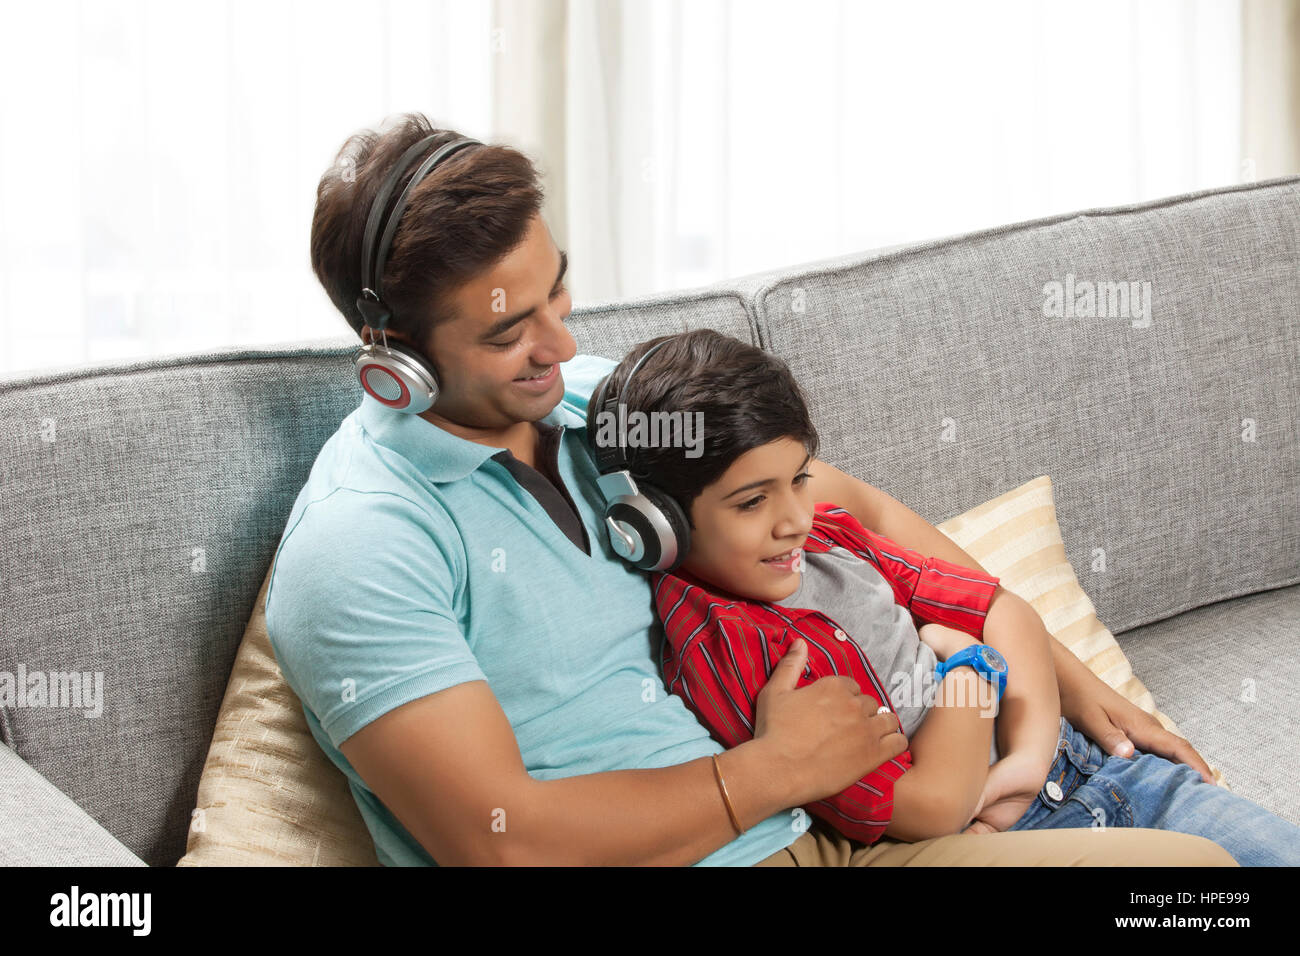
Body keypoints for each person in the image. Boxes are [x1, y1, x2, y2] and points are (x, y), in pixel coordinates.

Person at [264, 111, 1236, 866]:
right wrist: (763, 773)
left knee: (1198, 874)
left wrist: (1070, 678)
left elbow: (847, 506)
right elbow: (497, 837)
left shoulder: (596, 402)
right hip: (753, 821)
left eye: (556, 289)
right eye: (507, 330)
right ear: (397, 363)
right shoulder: (361, 545)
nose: (560, 345)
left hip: (832, 819)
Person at [595, 328, 1300, 865]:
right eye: (752, 502)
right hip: (990, 834)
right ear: (657, 524)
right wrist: (968, 670)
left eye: (801, 479)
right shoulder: (733, 650)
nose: (795, 520)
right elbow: (930, 806)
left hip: (1085, 766)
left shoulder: (831, 538)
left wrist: (1025, 757)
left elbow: (1006, 612)